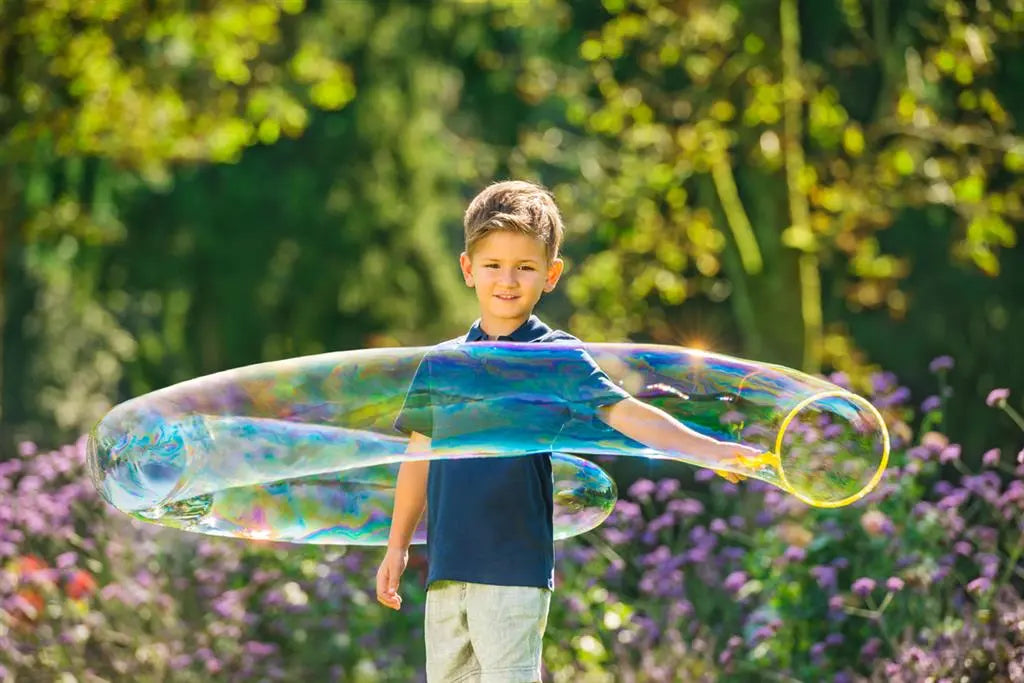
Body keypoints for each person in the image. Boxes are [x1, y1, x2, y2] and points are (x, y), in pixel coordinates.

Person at [375, 180, 757, 683]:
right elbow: (419, 455)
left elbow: (625, 412)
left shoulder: (556, 357)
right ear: (468, 269)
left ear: (550, 275)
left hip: (513, 568)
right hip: (447, 571)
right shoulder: (444, 363)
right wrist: (398, 544)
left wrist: (706, 450)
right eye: (492, 265)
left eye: (525, 267)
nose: (507, 280)